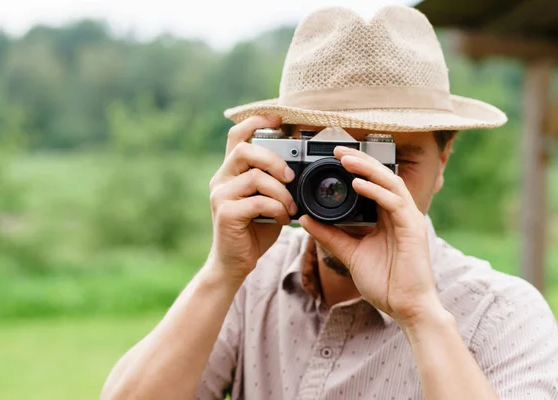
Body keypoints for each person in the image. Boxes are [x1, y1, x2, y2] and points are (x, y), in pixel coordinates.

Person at [101, 5, 558, 400]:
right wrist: (221, 273)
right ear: (277, 151)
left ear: (444, 160)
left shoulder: (503, 314)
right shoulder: (250, 283)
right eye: (329, 158)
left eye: (390, 159)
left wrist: (420, 314)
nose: (353, 186)